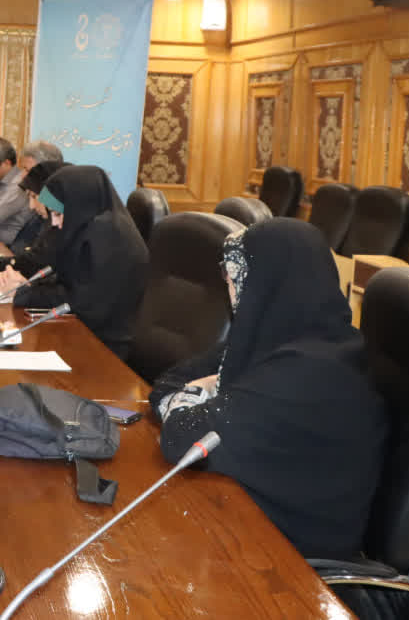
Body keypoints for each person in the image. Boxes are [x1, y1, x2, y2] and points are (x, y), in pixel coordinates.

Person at [149, 219, 387, 564]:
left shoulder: (311, 373)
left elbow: (179, 438)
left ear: (267, 284)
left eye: (235, 279)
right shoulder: (282, 336)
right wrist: (203, 389)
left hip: (293, 566)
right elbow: (165, 384)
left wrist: (201, 389)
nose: (230, 291)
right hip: (250, 522)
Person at [0, 165, 147, 359]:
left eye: (58, 214)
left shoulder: (108, 236)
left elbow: (81, 301)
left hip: (103, 349)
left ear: (79, 206)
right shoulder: (91, 228)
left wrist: (23, 294)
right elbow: (67, 281)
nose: (55, 223)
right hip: (83, 334)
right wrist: (26, 285)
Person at [0, 158, 67, 273]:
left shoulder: (62, 226)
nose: (31, 206)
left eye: (34, 196)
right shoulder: (46, 220)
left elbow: (37, 263)